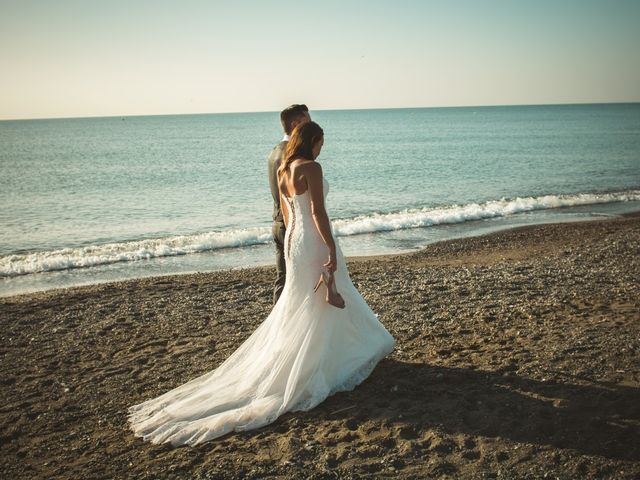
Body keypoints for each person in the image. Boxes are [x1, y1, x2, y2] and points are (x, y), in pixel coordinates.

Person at [127, 121, 395, 446]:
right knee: (318, 299)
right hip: (313, 239)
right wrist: (329, 249)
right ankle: (320, 363)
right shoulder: (311, 166)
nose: (322, 148)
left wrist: (297, 243)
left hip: (294, 241)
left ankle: (312, 355)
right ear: (313, 141)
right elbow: (318, 212)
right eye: (321, 142)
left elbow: (288, 214)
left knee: (301, 302)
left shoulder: (284, 169)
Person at [267, 104, 310, 304]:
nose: (311, 128)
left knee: (283, 279)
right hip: (289, 224)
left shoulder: (274, 151)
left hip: (277, 222)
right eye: (307, 123)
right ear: (296, 124)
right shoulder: (291, 155)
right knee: (293, 282)